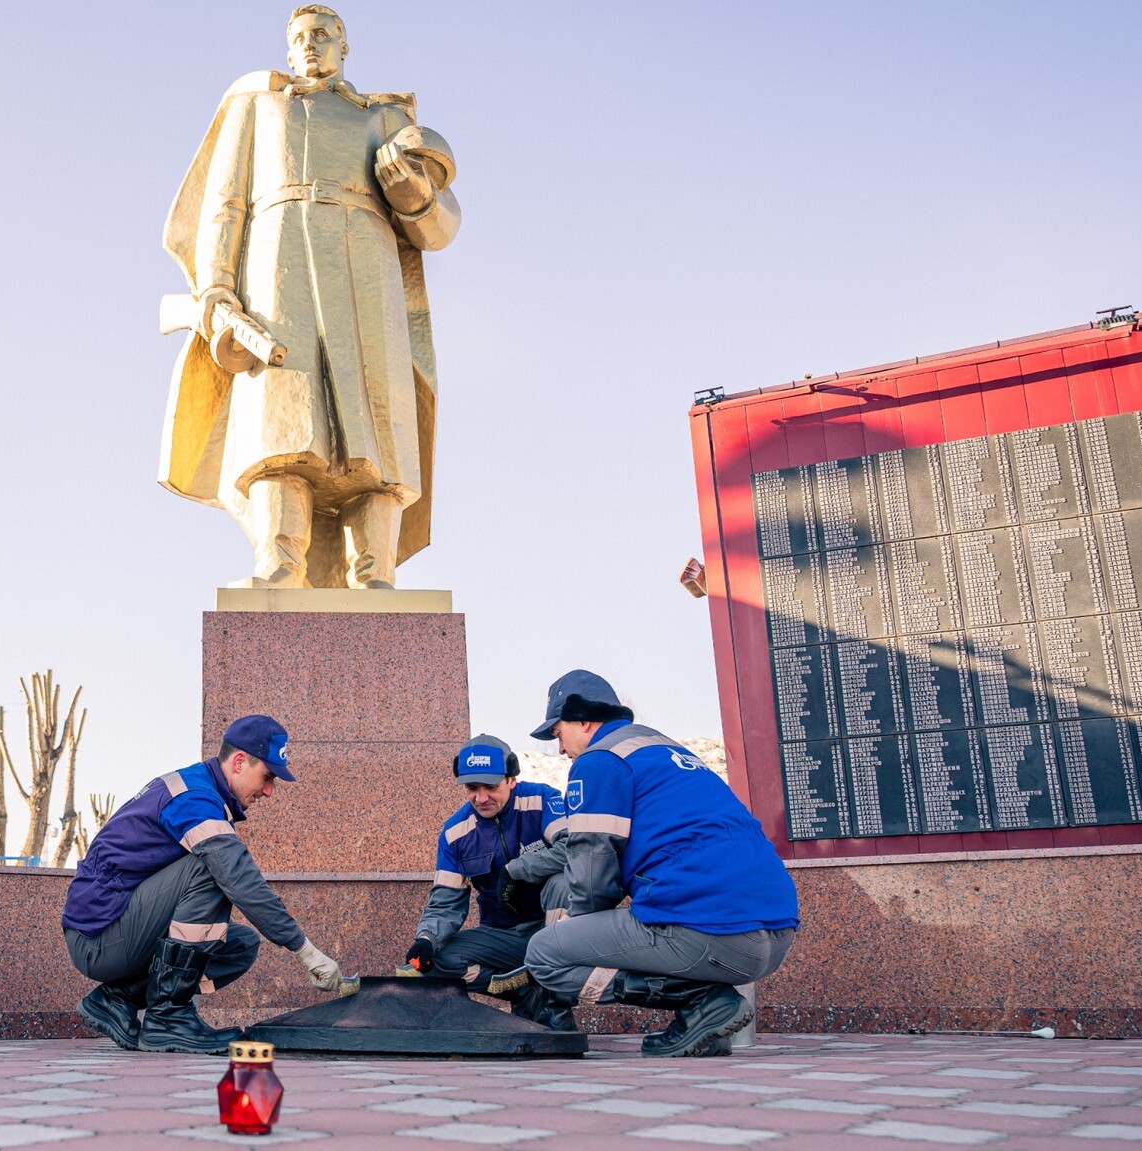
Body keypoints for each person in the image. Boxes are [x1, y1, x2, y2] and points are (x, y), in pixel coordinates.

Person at [158, 4, 460, 589]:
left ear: (345, 47)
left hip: (366, 264)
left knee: (377, 421)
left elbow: (441, 228)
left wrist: (415, 195)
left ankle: (376, 573)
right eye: (299, 37)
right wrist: (218, 289)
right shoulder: (259, 107)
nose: (310, 44)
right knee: (281, 420)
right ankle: (279, 565)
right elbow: (224, 204)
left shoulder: (383, 117)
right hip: (277, 263)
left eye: (323, 35)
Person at [491, 671, 800, 1057]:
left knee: (546, 954)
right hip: (777, 934)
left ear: (583, 720)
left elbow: (592, 866)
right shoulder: (667, 751)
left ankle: (704, 1003)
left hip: (715, 935)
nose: (559, 749)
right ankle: (704, 1020)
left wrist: (577, 929)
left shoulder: (599, 761)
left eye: (558, 733)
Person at [62, 715, 347, 1054]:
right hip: (99, 937)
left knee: (238, 945)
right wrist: (306, 951)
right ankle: (167, 1018)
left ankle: (117, 998)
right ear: (239, 761)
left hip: (119, 928)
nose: (269, 791)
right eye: (267, 777)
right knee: (215, 867)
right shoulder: (195, 798)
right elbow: (238, 877)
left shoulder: (203, 792)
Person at [402, 734, 575, 1029]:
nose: (481, 798)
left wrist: (517, 869)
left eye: (491, 787)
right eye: (472, 788)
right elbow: (445, 901)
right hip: (503, 937)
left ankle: (554, 1008)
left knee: (562, 883)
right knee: (436, 961)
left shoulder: (544, 799)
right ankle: (521, 989)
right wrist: (427, 939)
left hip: (554, 930)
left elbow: (575, 851)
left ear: (511, 779)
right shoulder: (455, 833)